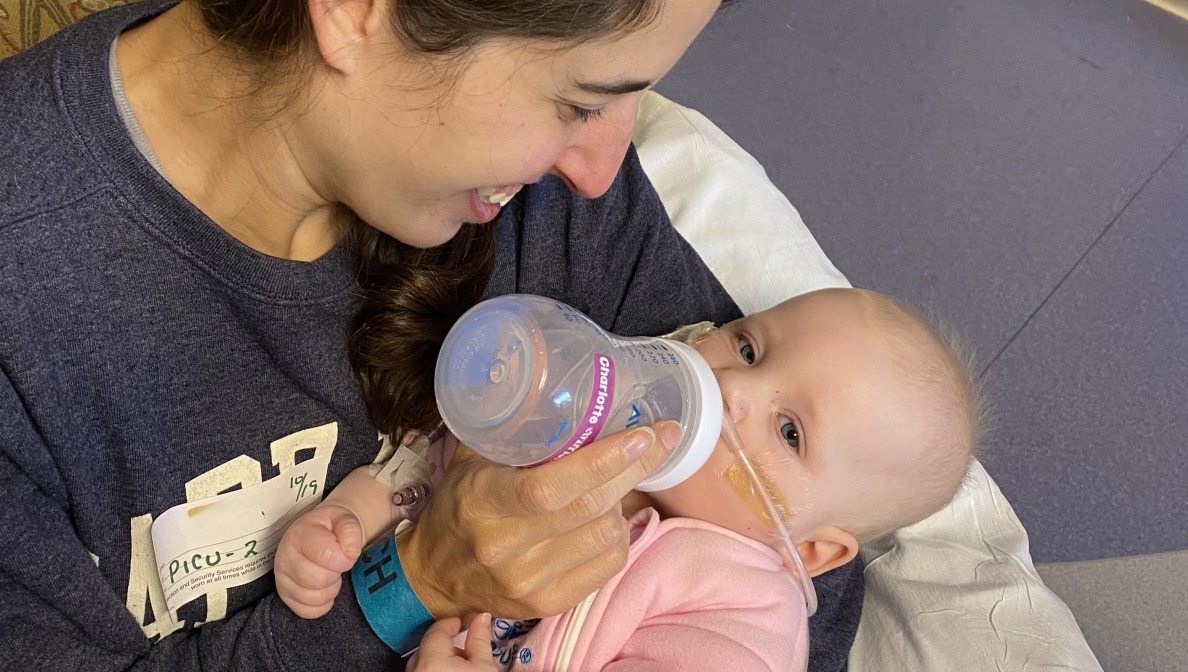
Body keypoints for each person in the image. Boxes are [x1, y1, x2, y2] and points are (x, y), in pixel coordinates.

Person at [0, 0, 867, 669]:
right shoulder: (32, 313)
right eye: (577, 101)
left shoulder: (548, 203)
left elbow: (816, 544)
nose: (604, 172)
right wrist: (413, 584)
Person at [275, 287, 982, 670]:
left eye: (790, 431)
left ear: (817, 552)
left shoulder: (742, 616)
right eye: (748, 345)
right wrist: (347, 518)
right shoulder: (591, 422)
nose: (733, 389)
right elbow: (427, 464)